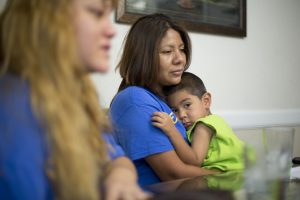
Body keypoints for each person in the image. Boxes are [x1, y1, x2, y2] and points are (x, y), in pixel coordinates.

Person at [0, 0, 149, 199]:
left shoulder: (74, 97)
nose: (111, 30)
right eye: (96, 13)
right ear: (46, 20)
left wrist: (119, 175)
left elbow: (116, 157)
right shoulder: (14, 109)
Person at [109, 13, 217, 187]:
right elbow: (173, 173)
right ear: (143, 56)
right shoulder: (135, 100)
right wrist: (231, 175)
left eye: (181, 49)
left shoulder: (164, 98)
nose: (180, 59)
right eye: (167, 51)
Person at [151, 72, 245, 171]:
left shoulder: (203, 126)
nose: (182, 115)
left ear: (206, 101)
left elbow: (195, 161)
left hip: (227, 177)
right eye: (175, 110)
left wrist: (172, 131)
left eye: (187, 105)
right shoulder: (217, 120)